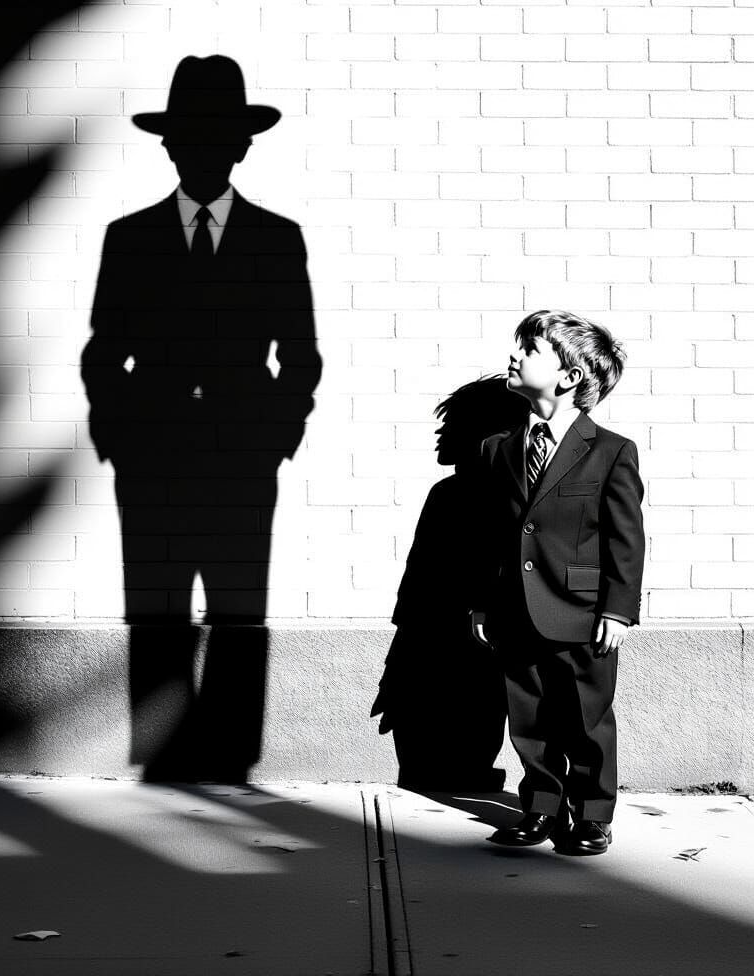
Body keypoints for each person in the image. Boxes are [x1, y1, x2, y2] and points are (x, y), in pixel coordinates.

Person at [81, 55, 322, 780]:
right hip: (151, 458)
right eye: (191, 137)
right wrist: (119, 436)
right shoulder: (129, 238)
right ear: (170, 146)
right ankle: (161, 753)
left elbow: (301, 355)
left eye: (221, 137)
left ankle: (229, 757)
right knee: (154, 607)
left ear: (243, 146)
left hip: (243, 459)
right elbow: (104, 350)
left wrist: (275, 437)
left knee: (237, 609)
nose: (206, 151)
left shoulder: (277, 239)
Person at [471, 310, 645, 854]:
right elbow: (491, 535)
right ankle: (541, 806)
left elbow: (625, 539)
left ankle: (592, 814)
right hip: (516, 607)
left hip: (583, 610)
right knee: (529, 714)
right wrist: (483, 604)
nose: (515, 356)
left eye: (530, 348)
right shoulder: (498, 448)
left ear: (569, 376)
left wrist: (616, 609)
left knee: (587, 719)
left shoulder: (610, 451)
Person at [371, 377, 527, 791]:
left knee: (454, 766)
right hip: (426, 648)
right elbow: (417, 580)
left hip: (471, 650)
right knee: (425, 768)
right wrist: (398, 667)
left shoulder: (503, 497)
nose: (441, 434)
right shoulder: (447, 493)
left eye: (453, 424)